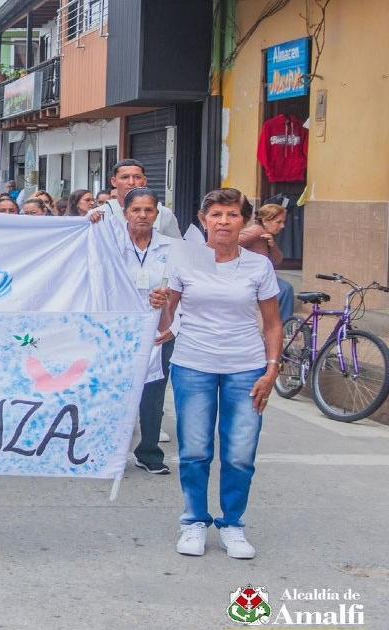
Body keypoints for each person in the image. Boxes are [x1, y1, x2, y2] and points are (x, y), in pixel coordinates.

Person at [150, 187, 282, 560]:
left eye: (232, 215)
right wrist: (160, 304)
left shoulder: (258, 266)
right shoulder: (183, 260)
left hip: (246, 367)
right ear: (203, 219)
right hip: (193, 364)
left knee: (240, 453)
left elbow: (273, 323)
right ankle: (193, 521)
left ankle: (233, 524)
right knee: (194, 450)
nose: (224, 222)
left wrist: (272, 369)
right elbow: (167, 320)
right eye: (216, 215)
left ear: (244, 221)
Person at [114, 188, 177, 475]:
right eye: (136, 210)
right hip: (119, 330)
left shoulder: (172, 248)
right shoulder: (110, 245)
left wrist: (170, 310)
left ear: (157, 214)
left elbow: (184, 288)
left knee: (153, 392)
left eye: (148, 210)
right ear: (125, 213)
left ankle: (149, 452)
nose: (142, 215)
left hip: (158, 330)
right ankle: (111, 450)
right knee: (116, 389)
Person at [239, 204, 294, 323]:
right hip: (249, 278)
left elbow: (277, 261)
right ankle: (281, 327)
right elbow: (229, 243)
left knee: (286, 289)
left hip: (262, 277)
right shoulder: (256, 231)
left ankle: (282, 326)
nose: (282, 226)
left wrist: (272, 245)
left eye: (283, 222)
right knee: (284, 290)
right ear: (265, 221)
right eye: (278, 222)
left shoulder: (267, 235)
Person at [104, 159, 180, 238]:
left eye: (137, 177)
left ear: (144, 181)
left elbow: (176, 244)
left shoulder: (163, 213)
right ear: (114, 181)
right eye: (125, 177)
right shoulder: (101, 213)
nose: (131, 182)